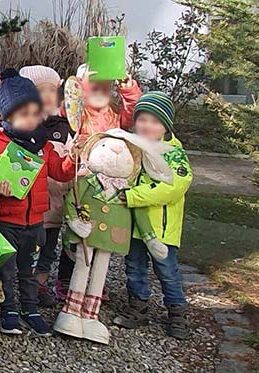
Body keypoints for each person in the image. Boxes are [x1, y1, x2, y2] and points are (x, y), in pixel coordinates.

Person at [0, 69, 75, 337]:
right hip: (7, 220)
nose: (30, 120)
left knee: (28, 269)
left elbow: (60, 171)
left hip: (35, 221)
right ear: (7, 116)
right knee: (6, 270)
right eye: (23, 115)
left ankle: (30, 309)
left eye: (34, 114)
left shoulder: (43, 144)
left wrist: (73, 158)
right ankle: (8, 309)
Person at [114, 92, 194, 340]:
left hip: (161, 229)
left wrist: (133, 196)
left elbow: (171, 187)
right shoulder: (132, 148)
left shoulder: (173, 155)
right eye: (143, 120)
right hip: (135, 226)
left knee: (167, 272)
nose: (148, 126)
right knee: (134, 268)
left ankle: (177, 314)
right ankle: (138, 308)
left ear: (166, 126)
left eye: (155, 121)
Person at [19, 65, 74, 307]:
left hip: (55, 204)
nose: (49, 96)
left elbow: (66, 168)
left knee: (48, 249)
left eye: (53, 90)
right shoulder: (22, 127)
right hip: (28, 207)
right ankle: (20, 286)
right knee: (27, 249)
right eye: (42, 90)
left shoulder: (63, 128)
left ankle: (39, 285)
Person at [75, 63, 142, 145]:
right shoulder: (79, 113)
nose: (100, 91)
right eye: (94, 86)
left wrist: (129, 89)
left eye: (105, 85)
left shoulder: (114, 114)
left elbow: (134, 112)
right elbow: (67, 110)